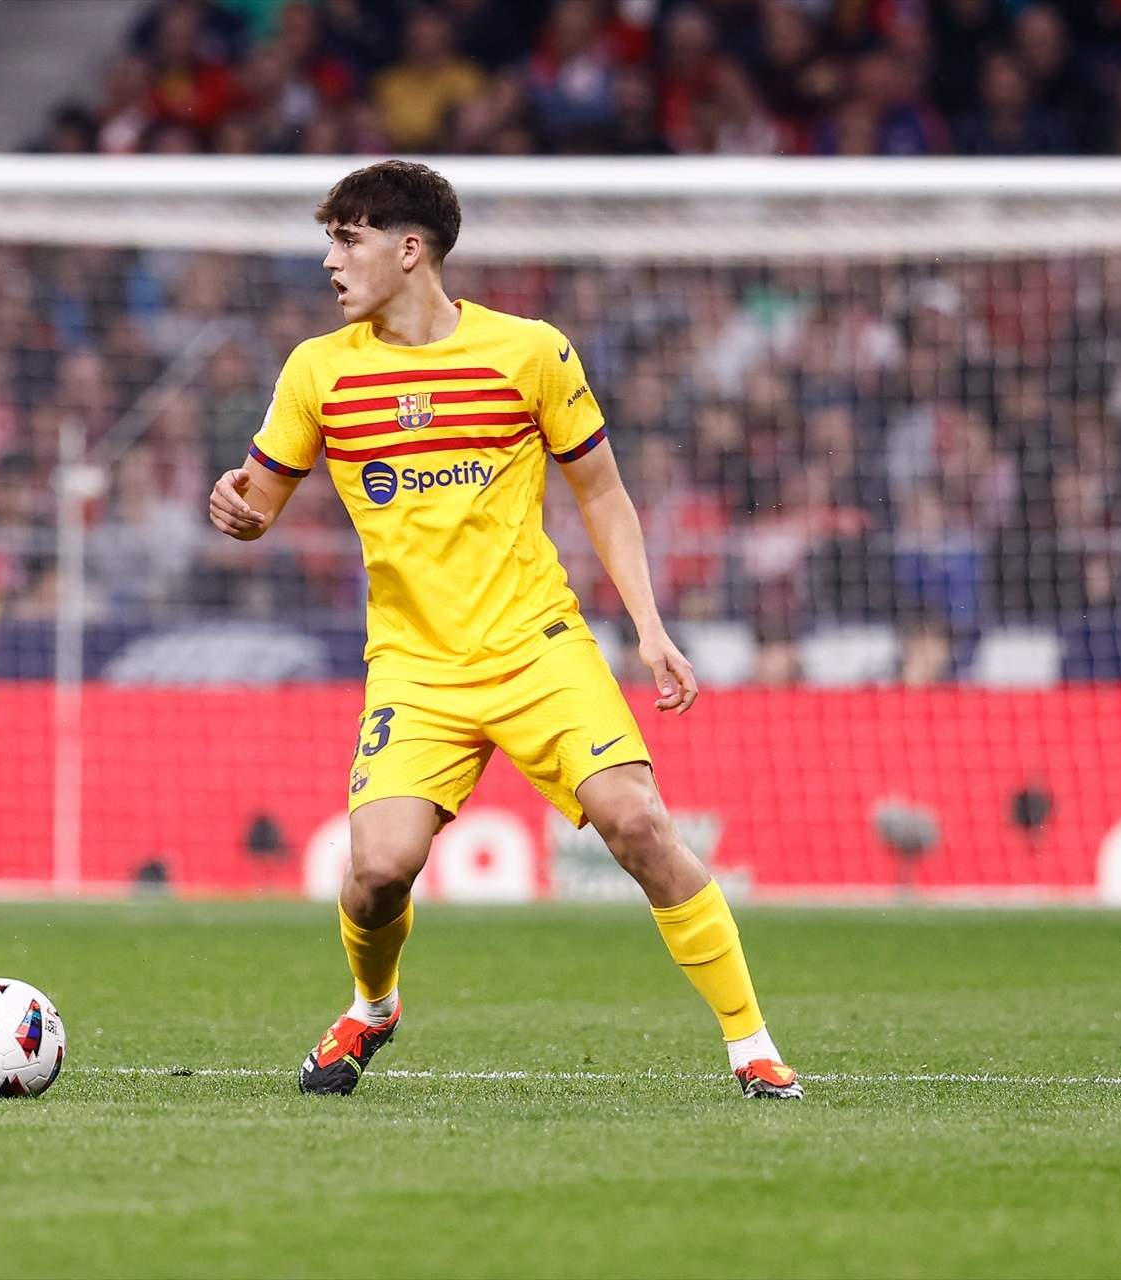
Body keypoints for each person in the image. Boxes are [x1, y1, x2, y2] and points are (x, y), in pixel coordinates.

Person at [206, 160, 801, 1100]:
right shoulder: (317, 371)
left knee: (639, 821)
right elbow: (260, 502)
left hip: (536, 649)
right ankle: (372, 1006)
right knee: (377, 874)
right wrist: (235, 510)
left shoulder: (529, 352)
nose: (329, 260)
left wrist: (648, 628)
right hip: (413, 668)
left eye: (347, 239)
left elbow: (601, 491)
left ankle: (752, 1045)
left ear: (409, 250)